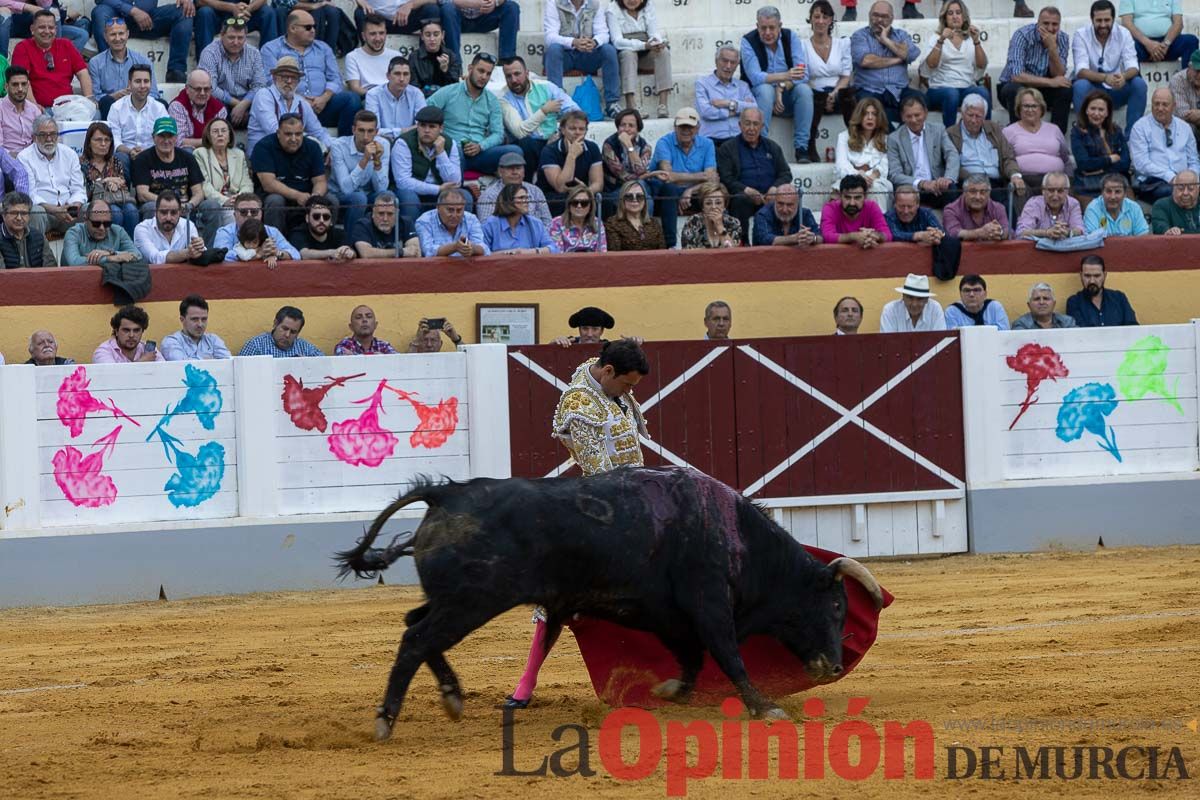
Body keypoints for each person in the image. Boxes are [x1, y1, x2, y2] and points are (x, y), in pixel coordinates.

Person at [506, 338, 649, 709]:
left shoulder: (602, 373)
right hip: (603, 509)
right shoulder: (580, 406)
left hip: (635, 497)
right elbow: (600, 471)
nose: (630, 393)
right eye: (627, 385)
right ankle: (526, 684)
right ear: (608, 373)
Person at [261, 9, 362, 137]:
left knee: (351, 99)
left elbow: (335, 79)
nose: (313, 30)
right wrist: (299, 100)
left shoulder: (323, 48)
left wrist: (324, 98)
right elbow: (271, 81)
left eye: (314, 26)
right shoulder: (271, 48)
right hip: (289, 107)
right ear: (292, 28)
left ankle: (344, 146)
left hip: (323, 106)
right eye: (308, 27)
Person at [739, 5, 814, 162]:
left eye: (772, 28)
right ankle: (760, 143)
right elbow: (755, 77)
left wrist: (781, 86)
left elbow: (803, 74)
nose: (767, 33)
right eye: (763, 28)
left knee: (804, 91)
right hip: (759, 97)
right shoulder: (748, 41)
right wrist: (785, 75)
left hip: (785, 94)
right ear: (757, 26)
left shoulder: (790, 37)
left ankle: (802, 148)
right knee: (766, 90)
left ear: (780, 26)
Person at [427, 53, 522, 177]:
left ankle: (514, 194)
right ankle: (457, 193)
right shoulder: (449, 92)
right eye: (481, 71)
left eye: (488, 74)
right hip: (453, 149)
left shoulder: (492, 100)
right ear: (470, 68)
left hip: (480, 153)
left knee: (515, 151)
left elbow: (498, 134)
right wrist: (438, 134)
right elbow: (425, 112)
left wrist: (481, 146)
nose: (484, 77)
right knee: (456, 151)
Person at [132, 117, 220, 244]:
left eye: (170, 136)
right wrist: (172, 206)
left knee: (212, 206)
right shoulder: (143, 159)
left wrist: (190, 205)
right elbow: (142, 194)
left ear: (176, 138)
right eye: (162, 136)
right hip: (159, 208)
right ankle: (155, 253)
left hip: (187, 208)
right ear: (153, 137)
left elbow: (198, 192)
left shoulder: (187, 157)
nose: (166, 141)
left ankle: (207, 251)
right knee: (150, 208)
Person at [717, 107, 791, 243]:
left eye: (755, 124)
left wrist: (775, 188)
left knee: (788, 196)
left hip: (770, 197)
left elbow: (785, 173)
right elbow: (725, 178)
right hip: (744, 198)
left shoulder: (772, 147)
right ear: (740, 125)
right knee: (740, 199)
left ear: (762, 126)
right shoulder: (727, 148)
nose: (751, 128)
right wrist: (747, 190)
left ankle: (780, 240)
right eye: (747, 123)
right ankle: (742, 242)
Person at [1072, 1, 1146, 138]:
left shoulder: (1124, 33)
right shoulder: (1081, 34)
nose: (1103, 24)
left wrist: (1123, 77)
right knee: (1080, 85)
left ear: (1113, 19)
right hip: (1094, 89)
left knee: (1139, 84)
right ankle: (1087, 135)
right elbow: (1081, 71)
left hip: (1118, 87)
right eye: (1098, 20)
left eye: (1107, 20)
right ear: (1091, 19)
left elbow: (1134, 67)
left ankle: (1132, 137)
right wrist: (1105, 78)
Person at [498, 55, 579, 177]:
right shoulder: (503, 98)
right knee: (526, 143)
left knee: (577, 143)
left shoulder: (546, 87)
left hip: (553, 138)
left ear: (527, 73)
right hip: (529, 145)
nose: (513, 80)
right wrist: (544, 111)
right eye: (508, 76)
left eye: (517, 74)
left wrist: (561, 133)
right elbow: (520, 132)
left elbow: (575, 112)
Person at [252, 112, 332, 233]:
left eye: (298, 134)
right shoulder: (263, 147)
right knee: (275, 200)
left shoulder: (313, 147)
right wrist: (297, 195)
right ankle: (275, 245)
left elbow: (320, 180)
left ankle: (325, 243)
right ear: (278, 133)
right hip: (275, 195)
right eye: (288, 134)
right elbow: (268, 184)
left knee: (332, 200)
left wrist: (316, 197)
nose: (294, 139)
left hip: (306, 196)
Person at [543, 0, 622, 119]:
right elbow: (550, 37)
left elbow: (603, 34)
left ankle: (612, 103)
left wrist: (594, 42)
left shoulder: (595, 3)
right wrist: (573, 42)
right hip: (565, 55)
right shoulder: (554, 2)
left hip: (587, 54)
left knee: (608, 50)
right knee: (553, 49)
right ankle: (557, 102)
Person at [848, 1, 921, 130]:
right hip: (870, 89)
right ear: (869, 15)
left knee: (919, 101)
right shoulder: (860, 36)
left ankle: (903, 140)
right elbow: (866, 61)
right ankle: (895, 142)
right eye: (875, 15)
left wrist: (886, 40)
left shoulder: (901, 35)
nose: (879, 20)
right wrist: (898, 59)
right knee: (870, 108)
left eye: (884, 16)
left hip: (899, 89)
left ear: (892, 19)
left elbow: (911, 54)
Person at [651, 106, 717, 248]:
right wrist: (701, 176)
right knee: (670, 189)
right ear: (675, 127)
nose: (686, 130)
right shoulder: (664, 142)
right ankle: (671, 244)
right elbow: (667, 176)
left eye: (690, 127)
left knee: (716, 192)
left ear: (698, 128)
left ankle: (718, 238)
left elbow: (713, 179)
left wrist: (690, 191)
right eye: (682, 126)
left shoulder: (707, 144)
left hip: (692, 193)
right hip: (665, 193)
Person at [997, 6, 1071, 133]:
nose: (1050, 28)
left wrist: (1052, 49)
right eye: (1045, 23)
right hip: (1014, 87)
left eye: (1055, 24)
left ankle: (1056, 138)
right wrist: (1051, 82)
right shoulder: (1022, 36)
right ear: (1038, 23)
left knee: (1065, 90)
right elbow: (1017, 75)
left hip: (1042, 90)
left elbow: (1058, 74)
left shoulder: (1063, 38)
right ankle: (1019, 136)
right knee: (1013, 89)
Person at [392, 105, 464, 233]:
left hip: (441, 191)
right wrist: (437, 189)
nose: (426, 130)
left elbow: (455, 181)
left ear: (441, 128)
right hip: (412, 191)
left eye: (432, 127)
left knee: (465, 197)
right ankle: (412, 239)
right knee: (409, 198)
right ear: (417, 126)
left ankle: (457, 238)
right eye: (422, 125)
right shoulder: (403, 143)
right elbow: (403, 182)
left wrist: (441, 153)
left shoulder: (449, 143)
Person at [91, 0, 193, 84]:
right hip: (117, 19)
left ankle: (176, 73)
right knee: (100, 12)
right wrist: (132, 10)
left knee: (183, 12)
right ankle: (109, 71)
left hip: (148, 20)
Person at [922, 0, 988, 128]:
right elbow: (930, 64)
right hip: (939, 89)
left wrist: (976, 41)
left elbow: (981, 65)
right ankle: (950, 136)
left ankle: (986, 135)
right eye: (950, 13)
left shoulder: (969, 39)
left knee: (982, 92)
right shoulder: (936, 38)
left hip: (965, 87)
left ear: (964, 17)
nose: (955, 16)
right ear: (944, 18)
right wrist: (941, 40)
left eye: (958, 13)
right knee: (952, 94)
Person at [247, 56, 331, 156]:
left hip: (291, 153)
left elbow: (319, 132)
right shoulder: (264, 95)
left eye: (294, 78)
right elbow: (274, 131)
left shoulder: (302, 102)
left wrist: (329, 148)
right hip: (264, 153)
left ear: (298, 82)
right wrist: (313, 142)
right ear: (274, 78)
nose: (289, 81)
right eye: (284, 77)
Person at [17, 115, 86, 236]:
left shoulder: (69, 154)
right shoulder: (24, 157)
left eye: (53, 134)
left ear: (58, 135)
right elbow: (30, 195)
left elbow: (78, 188)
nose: (49, 139)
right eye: (43, 135)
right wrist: (55, 210)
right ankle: (36, 252)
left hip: (69, 212)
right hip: (44, 213)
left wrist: (73, 206)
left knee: (93, 209)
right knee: (34, 211)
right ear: (34, 137)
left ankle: (92, 253)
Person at [197, 18, 271, 130]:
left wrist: (244, 104)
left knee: (266, 102)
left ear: (246, 37)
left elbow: (260, 85)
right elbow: (211, 88)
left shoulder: (253, 53)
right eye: (231, 37)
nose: (236, 42)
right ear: (222, 35)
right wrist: (237, 104)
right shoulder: (210, 53)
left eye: (240, 38)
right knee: (212, 104)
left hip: (247, 101)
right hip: (221, 102)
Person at [886, 95, 959, 208]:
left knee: (952, 188)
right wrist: (921, 183)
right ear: (902, 117)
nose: (914, 120)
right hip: (911, 188)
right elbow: (894, 174)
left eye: (917, 115)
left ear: (925, 113)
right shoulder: (894, 139)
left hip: (937, 185)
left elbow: (952, 154)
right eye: (909, 116)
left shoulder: (938, 130)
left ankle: (952, 224)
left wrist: (947, 178)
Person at [946, 94, 1026, 197]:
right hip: (968, 185)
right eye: (970, 115)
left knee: (1018, 191)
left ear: (984, 117)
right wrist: (974, 180)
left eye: (978, 116)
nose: (974, 120)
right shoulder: (951, 133)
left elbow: (1007, 157)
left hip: (996, 184)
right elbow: (952, 165)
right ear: (962, 113)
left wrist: (1014, 175)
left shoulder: (993, 129)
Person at [802, 1, 853, 161]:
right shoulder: (802, 45)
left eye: (825, 17)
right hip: (814, 91)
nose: (820, 21)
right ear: (810, 19)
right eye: (816, 16)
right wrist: (824, 97)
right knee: (814, 98)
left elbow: (846, 76)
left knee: (849, 95)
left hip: (837, 90)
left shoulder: (842, 43)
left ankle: (856, 143)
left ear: (831, 20)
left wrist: (834, 94)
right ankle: (809, 146)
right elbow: (803, 77)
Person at [11, 10, 93, 110]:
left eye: (51, 27)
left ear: (56, 29)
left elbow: (83, 73)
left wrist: (88, 100)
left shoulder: (66, 45)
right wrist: (34, 106)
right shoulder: (23, 48)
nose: (47, 31)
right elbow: (21, 80)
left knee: (96, 115)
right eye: (42, 27)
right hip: (41, 109)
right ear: (32, 29)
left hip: (68, 107)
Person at [1129, 87, 1200, 202]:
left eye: (1165, 105)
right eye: (1156, 104)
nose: (1160, 108)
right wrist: (1170, 177)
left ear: (1174, 106)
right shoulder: (1140, 127)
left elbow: (1193, 160)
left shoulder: (1184, 127)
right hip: (1153, 182)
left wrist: (1192, 179)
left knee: (1186, 190)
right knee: (1173, 192)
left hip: (1184, 180)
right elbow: (1141, 163)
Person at [604, 0, 669, 117]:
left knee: (663, 52)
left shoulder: (648, 6)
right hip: (625, 53)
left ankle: (663, 104)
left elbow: (653, 32)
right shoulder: (612, 10)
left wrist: (657, 42)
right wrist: (643, 45)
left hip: (646, 51)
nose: (632, 1)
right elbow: (617, 41)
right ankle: (631, 103)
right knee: (628, 54)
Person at [331, 110, 391, 234]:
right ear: (353, 130)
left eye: (370, 131)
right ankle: (352, 241)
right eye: (361, 130)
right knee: (359, 197)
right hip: (338, 193)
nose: (366, 137)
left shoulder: (383, 145)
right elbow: (346, 188)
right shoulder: (338, 146)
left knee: (389, 196)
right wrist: (365, 159)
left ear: (377, 132)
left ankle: (384, 241)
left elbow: (381, 188)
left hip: (368, 193)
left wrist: (377, 160)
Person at [88, 17, 159, 119]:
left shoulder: (143, 61)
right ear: (105, 37)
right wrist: (114, 96)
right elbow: (94, 97)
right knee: (106, 102)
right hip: (110, 110)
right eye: (113, 34)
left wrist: (135, 95)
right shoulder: (96, 62)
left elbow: (154, 94)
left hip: (139, 108)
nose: (117, 38)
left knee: (162, 104)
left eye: (121, 33)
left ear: (127, 34)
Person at [79, 122, 139, 239]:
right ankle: (112, 249)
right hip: (94, 204)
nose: (103, 144)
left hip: (117, 199)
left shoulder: (115, 161)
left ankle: (130, 248)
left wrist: (118, 184)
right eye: (98, 140)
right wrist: (106, 181)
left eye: (107, 140)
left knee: (131, 210)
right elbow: (84, 193)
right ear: (89, 143)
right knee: (114, 212)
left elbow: (123, 187)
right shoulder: (82, 163)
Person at [1002, 87, 1070, 188]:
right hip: (1023, 181)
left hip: (1054, 181)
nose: (1030, 110)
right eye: (1026, 106)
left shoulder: (1054, 129)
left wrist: (1069, 179)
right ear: (1019, 108)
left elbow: (1065, 158)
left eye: (1034, 106)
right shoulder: (1008, 131)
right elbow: (1005, 160)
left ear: (1041, 108)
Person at [538, 110, 605, 213]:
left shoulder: (592, 148)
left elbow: (598, 183)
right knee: (562, 201)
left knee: (604, 201)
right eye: (572, 128)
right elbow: (560, 187)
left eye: (581, 129)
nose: (577, 132)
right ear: (563, 130)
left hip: (584, 191)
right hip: (553, 196)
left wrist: (586, 192)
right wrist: (572, 156)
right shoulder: (549, 151)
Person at [108, 65, 168, 178]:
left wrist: (146, 152)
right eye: (138, 81)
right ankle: (123, 193)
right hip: (126, 154)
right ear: (129, 84)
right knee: (119, 158)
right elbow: (114, 140)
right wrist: (130, 152)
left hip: (153, 154)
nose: (142, 86)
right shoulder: (116, 108)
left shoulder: (159, 108)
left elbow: (165, 137)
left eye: (146, 81)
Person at [195, 118, 253, 232]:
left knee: (251, 210)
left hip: (238, 200)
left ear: (229, 135)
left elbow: (247, 183)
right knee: (231, 214)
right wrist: (224, 200)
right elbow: (205, 186)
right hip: (215, 201)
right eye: (215, 131)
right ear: (209, 136)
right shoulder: (200, 153)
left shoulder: (239, 154)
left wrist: (240, 198)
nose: (220, 134)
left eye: (223, 131)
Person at [1070, 89, 1131, 195]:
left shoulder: (1116, 130)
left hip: (1117, 183)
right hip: (1088, 185)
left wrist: (1098, 169)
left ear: (1107, 112)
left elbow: (1125, 163)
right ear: (1086, 110)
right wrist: (1110, 159)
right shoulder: (1077, 132)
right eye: (1093, 109)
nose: (1096, 113)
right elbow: (1083, 163)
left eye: (1101, 110)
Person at [695, 47, 757, 150]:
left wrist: (727, 103)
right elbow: (705, 111)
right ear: (716, 61)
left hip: (738, 139)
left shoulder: (742, 86)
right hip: (713, 140)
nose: (728, 66)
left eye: (733, 63)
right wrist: (734, 111)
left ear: (737, 65)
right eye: (724, 61)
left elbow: (753, 108)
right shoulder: (702, 83)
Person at [836, 96, 892, 208]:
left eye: (874, 114)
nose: (870, 117)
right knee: (848, 189)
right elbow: (841, 165)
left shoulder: (887, 139)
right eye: (866, 114)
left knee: (875, 188)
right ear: (859, 116)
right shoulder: (844, 137)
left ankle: (877, 224)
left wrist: (870, 177)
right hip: (850, 178)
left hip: (876, 180)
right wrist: (859, 175)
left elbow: (884, 166)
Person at [600, 108, 664, 204]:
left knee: (663, 188)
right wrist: (649, 175)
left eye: (631, 126)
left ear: (638, 129)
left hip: (641, 186)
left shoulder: (645, 147)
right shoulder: (609, 145)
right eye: (623, 125)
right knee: (644, 196)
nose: (626, 129)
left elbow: (640, 171)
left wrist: (629, 147)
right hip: (616, 188)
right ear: (618, 127)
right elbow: (623, 176)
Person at [214, 193, 302, 261]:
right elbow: (219, 256)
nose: (249, 215)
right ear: (235, 215)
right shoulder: (225, 232)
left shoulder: (272, 231)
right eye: (243, 212)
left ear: (261, 214)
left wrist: (277, 253)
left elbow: (296, 255)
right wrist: (256, 254)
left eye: (254, 212)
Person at [476, 150, 552, 228]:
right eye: (510, 168)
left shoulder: (535, 191)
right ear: (500, 172)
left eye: (518, 168)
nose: (515, 172)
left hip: (536, 237)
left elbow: (548, 222)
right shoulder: (489, 195)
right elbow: (486, 227)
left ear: (524, 171)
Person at [1119, 0, 1198, 72]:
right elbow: (1126, 23)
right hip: (1141, 44)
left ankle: (1187, 82)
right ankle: (1137, 84)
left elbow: (1178, 23)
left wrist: (1165, 44)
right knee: (1129, 46)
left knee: (1191, 41)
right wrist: (1148, 43)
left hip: (1168, 44)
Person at [61, 198, 143, 267]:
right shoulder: (73, 233)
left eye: (107, 224)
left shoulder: (118, 231)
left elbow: (138, 255)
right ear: (85, 219)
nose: (102, 228)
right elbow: (74, 262)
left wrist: (111, 253)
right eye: (96, 224)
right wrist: (110, 259)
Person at [481, 182, 558, 254]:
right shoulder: (490, 225)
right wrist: (510, 253)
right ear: (508, 201)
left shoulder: (535, 223)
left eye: (527, 198)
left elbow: (554, 249)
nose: (526, 201)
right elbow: (483, 253)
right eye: (521, 198)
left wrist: (530, 252)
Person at [133, 190, 205, 264]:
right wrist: (187, 253)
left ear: (180, 213)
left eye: (173, 213)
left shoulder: (188, 225)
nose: (168, 218)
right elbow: (155, 258)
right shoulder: (142, 229)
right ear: (155, 212)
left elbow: (198, 252)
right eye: (163, 212)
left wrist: (198, 247)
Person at [366, 56, 427, 142]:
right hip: (381, 142)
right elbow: (373, 130)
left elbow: (423, 126)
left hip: (409, 141)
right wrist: (402, 131)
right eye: (397, 74)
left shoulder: (416, 94)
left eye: (406, 74)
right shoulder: (373, 94)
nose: (402, 79)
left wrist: (396, 133)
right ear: (388, 76)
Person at [820, 173, 891, 247]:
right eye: (847, 197)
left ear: (865, 196)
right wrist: (853, 237)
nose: (852, 203)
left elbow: (888, 235)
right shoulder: (830, 208)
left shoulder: (872, 206)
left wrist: (874, 236)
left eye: (857, 198)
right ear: (840, 196)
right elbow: (826, 236)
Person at [1065, 254, 1138, 327]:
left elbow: (1132, 328)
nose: (1092, 281)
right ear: (1081, 275)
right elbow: (1079, 333)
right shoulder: (1074, 302)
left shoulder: (1119, 298)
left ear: (1104, 275)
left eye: (1097, 276)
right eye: (1087, 276)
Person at [415, 187, 488, 257]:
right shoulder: (424, 221)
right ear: (438, 207)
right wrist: (454, 247)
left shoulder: (471, 219)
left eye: (459, 210)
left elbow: (484, 248)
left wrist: (472, 249)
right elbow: (427, 251)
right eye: (450, 210)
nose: (454, 215)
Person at [167, 70, 229, 150]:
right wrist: (210, 141)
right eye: (198, 89)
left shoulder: (220, 109)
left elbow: (222, 139)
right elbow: (178, 141)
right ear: (187, 89)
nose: (202, 93)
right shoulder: (177, 106)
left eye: (206, 89)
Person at [443, 0, 520, 61]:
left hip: (486, 18)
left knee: (512, 7)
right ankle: (454, 62)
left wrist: (495, 2)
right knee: (447, 9)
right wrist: (473, 3)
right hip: (458, 19)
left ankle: (507, 60)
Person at [161, 295, 233, 361]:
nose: (200, 324)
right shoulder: (171, 342)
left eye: (204, 319)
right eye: (195, 319)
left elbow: (229, 361)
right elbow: (182, 365)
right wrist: (211, 360)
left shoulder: (213, 340)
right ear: (182, 320)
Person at [345, 14, 401, 98]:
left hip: (393, 97)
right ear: (363, 36)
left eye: (381, 33)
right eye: (373, 34)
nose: (378, 38)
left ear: (386, 34)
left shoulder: (396, 56)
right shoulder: (352, 57)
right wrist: (379, 96)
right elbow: (355, 88)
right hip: (367, 97)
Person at [1015, 171, 1084, 238]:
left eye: (1060, 191)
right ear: (1043, 190)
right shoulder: (1033, 204)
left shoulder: (1073, 204)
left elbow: (1080, 230)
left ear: (1067, 192)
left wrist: (1068, 232)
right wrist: (1046, 233)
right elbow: (1021, 232)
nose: (1055, 196)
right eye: (1051, 190)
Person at [351, 192, 420, 258]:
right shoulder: (363, 225)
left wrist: (381, 254)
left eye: (390, 214)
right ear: (373, 213)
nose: (385, 219)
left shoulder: (406, 223)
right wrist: (401, 252)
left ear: (397, 213)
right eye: (381, 213)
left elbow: (416, 253)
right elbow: (366, 253)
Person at [943, 173, 1011, 240]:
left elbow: (1007, 230)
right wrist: (980, 233)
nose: (978, 197)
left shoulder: (998, 208)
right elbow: (954, 233)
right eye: (973, 191)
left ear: (989, 193)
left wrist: (999, 232)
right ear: (964, 192)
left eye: (983, 192)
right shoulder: (951, 210)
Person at [238, 305, 325, 357]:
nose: (287, 335)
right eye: (284, 329)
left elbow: (326, 366)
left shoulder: (305, 348)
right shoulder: (256, 345)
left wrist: (309, 364)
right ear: (275, 324)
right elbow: (239, 371)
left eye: (293, 332)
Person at [751, 183, 820, 246]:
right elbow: (765, 239)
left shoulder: (805, 214)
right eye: (780, 204)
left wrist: (813, 238)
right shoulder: (763, 215)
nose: (784, 210)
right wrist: (794, 238)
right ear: (775, 201)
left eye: (789, 205)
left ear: (797, 204)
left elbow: (820, 236)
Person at [291, 195, 356, 261]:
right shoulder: (298, 233)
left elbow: (353, 252)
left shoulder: (339, 234)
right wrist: (332, 252)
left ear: (331, 220)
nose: (321, 220)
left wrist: (350, 253)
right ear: (307, 218)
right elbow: (304, 254)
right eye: (316, 216)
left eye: (326, 217)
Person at [0, 190, 55, 268]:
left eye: (24, 213)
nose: (19, 218)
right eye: (14, 213)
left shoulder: (39, 237)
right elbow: (2, 276)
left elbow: (51, 269)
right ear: (4, 215)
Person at [603, 179, 663, 251]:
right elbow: (614, 255)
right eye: (629, 197)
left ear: (645, 200)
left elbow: (662, 251)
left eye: (639, 196)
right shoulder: (612, 223)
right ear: (622, 199)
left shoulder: (654, 223)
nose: (635, 200)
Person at [1083, 172, 1150, 235]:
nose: (1113, 197)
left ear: (1125, 194)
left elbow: (1143, 237)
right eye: (1108, 191)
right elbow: (1092, 241)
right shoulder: (1093, 209)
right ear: (1102, 192)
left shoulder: (1134, 208)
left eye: (1117, 192)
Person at [93, 305, 164, 363]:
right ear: (116, 331)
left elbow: (165, 375)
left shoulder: (148, 350)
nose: (131, 335)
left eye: (136, 330)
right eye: (126, 330)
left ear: (142, 331)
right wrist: (141, 363)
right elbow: (113, 378)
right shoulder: (104, 351)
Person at [411, 17, 461, 98]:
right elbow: (413, 86)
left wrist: (445, 70)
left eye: (436, 34)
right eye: (427, 35)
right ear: (422, 36)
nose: (432, 39)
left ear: (442, 35)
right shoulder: (414, 57)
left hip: (446, 99)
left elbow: (455, 88)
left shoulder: (451, 56)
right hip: (422, 99)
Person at [681, 181, 740, 249]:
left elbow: (733, 253)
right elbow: (688, 253)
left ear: (725, 205)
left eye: (718, 203)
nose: (713, 207)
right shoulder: (692, 222)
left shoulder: (733, 223)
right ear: (702, 206)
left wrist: (719, 226)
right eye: (708, 203)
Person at [879, 273, 947, 332]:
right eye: (910, 297)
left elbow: (941, 342)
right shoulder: (890, 311)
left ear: (927, 300)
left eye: (920, 299)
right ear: (903, 297)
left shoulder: (935, 309)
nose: (914, 304)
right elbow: (888, 344)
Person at [549, 184, 607, 252]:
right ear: (569, 205)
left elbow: (602, 252)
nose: (579, 206)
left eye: (584, 203)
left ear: (590, 207)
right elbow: (557, 254)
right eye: (575, 202)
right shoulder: (556, 223)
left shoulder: (597, 223)